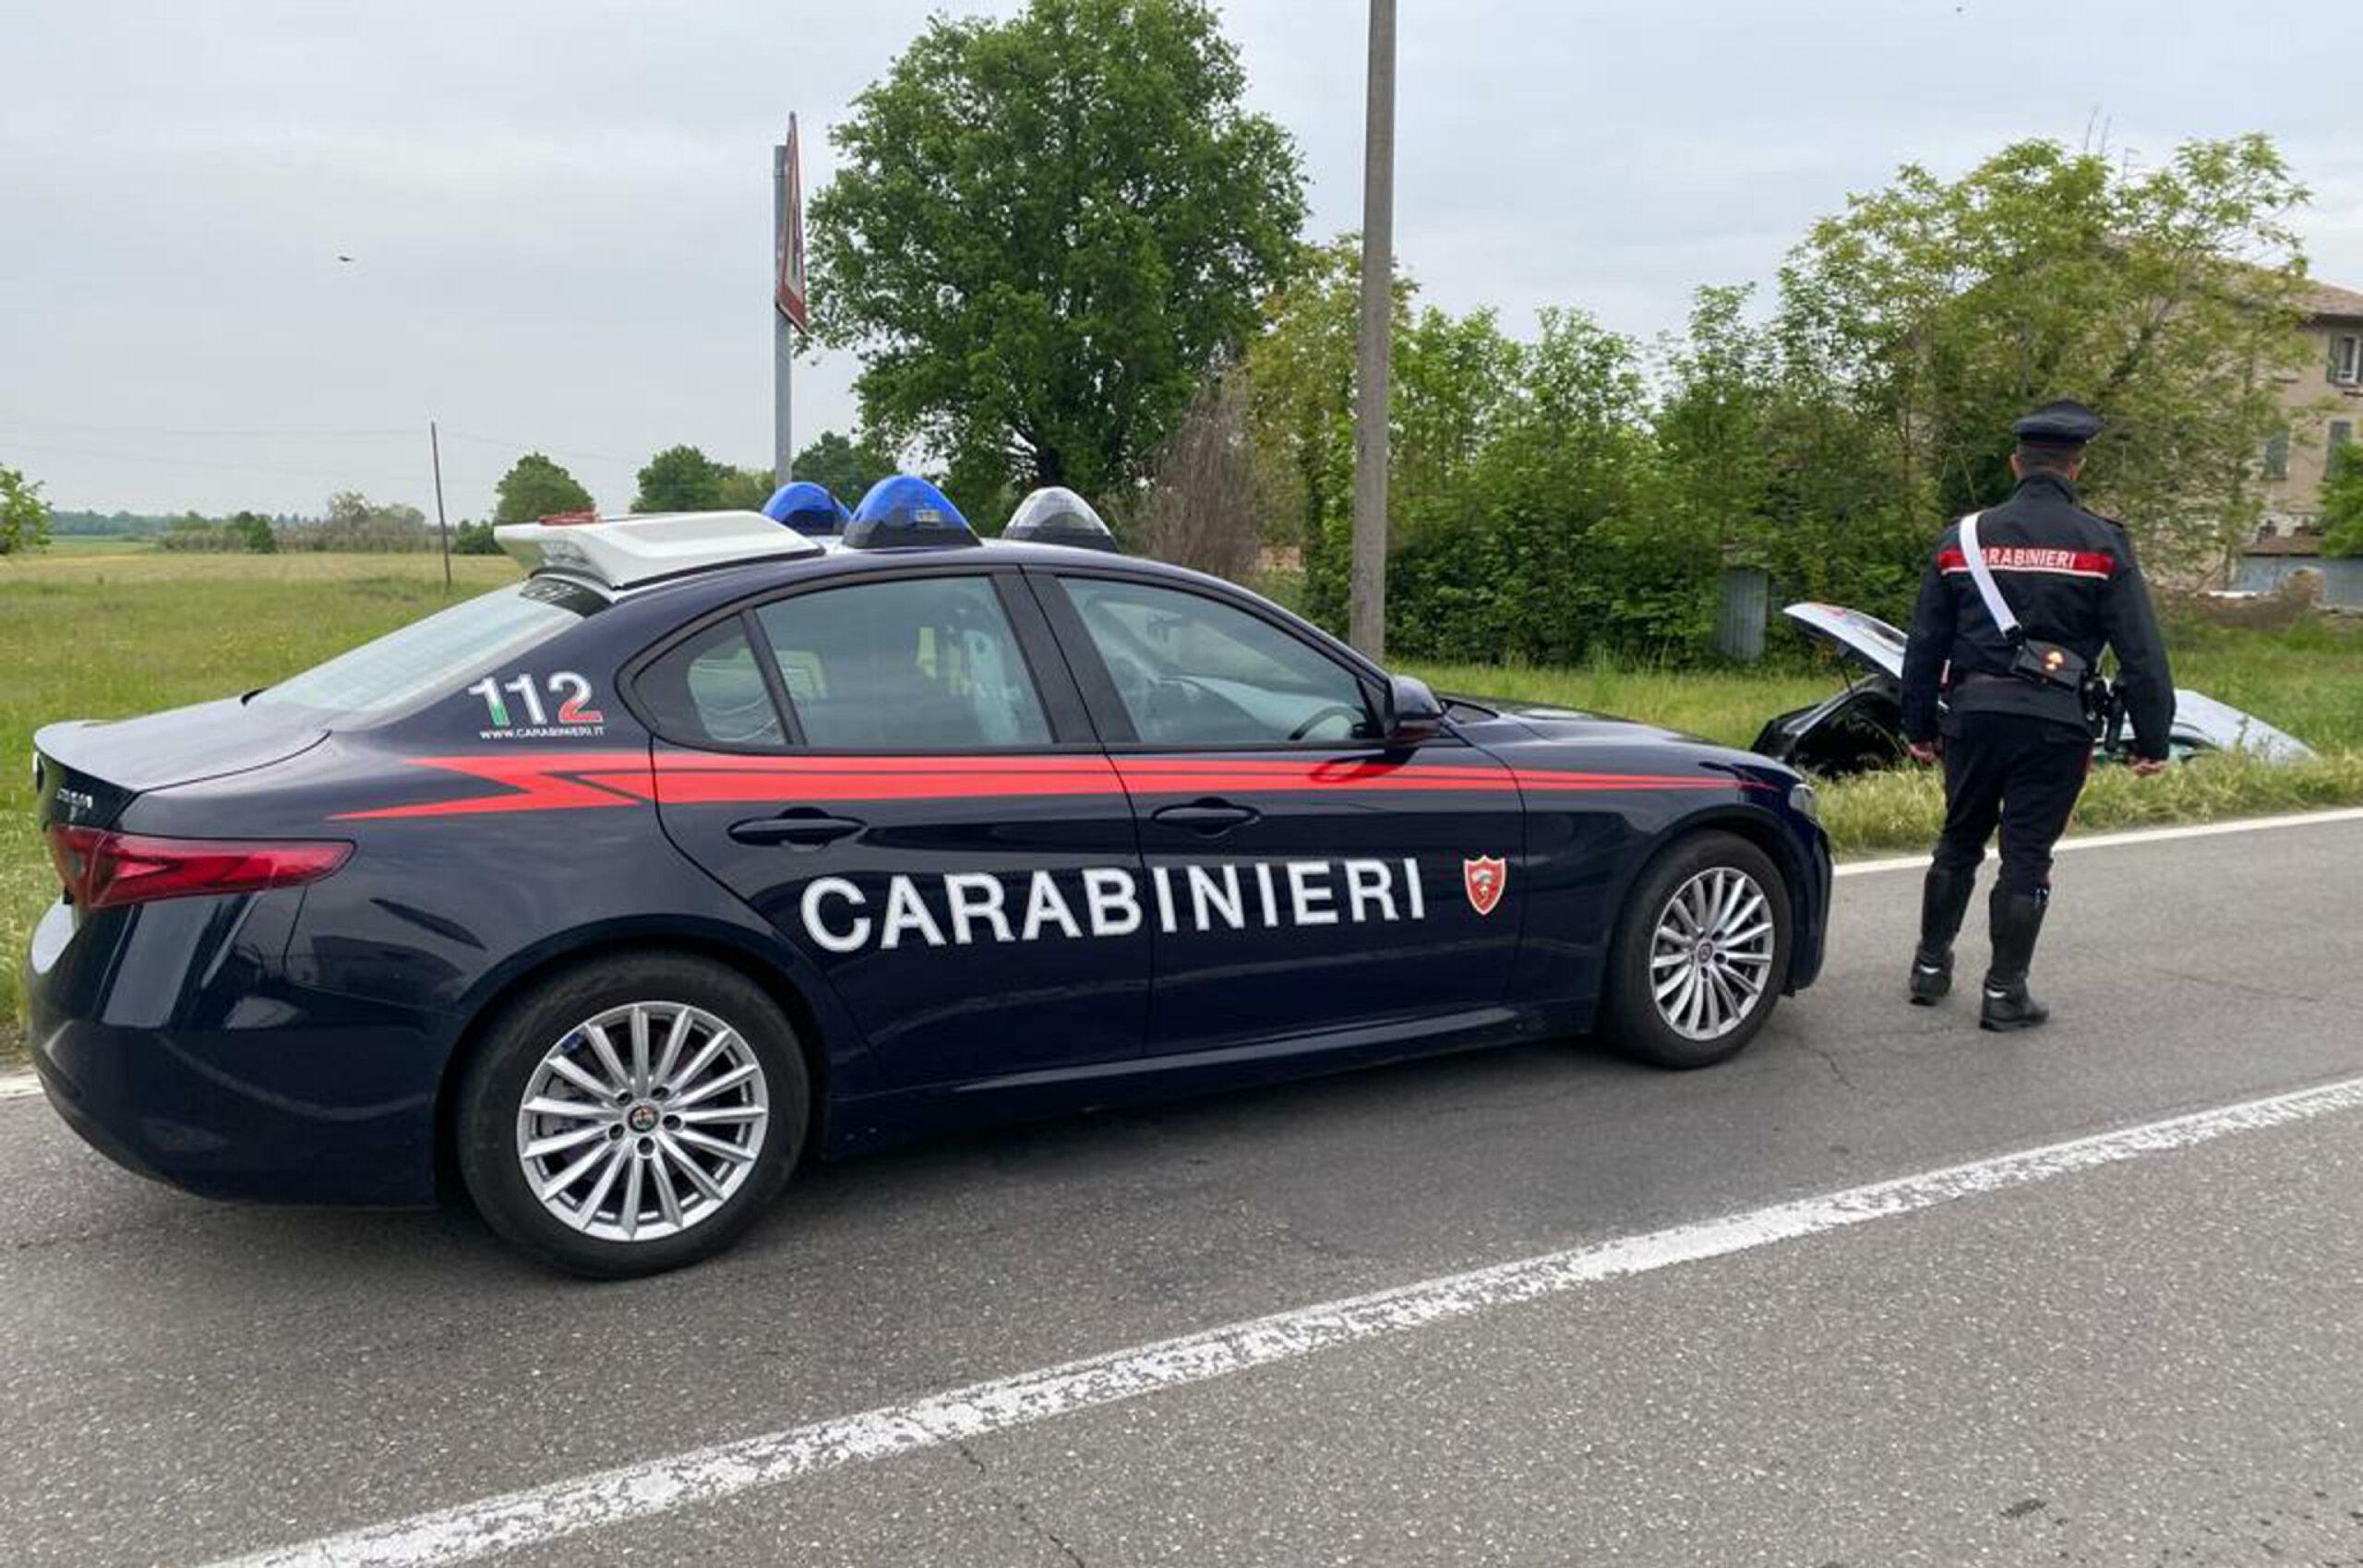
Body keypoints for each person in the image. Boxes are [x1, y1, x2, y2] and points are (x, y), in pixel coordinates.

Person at [1898, 399, 2174, 1031]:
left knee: (1959, 838)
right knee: (2025, 854)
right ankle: (2004, 992)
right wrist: (2150, 737)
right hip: (2055, 724)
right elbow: (2141, 651)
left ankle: (1930, 968)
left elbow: (1925, 643)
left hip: (1971, 715)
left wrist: (1917, 725)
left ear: (2016, 463)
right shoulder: (2103, 543)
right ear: (2077, 467)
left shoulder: (1961, 538)